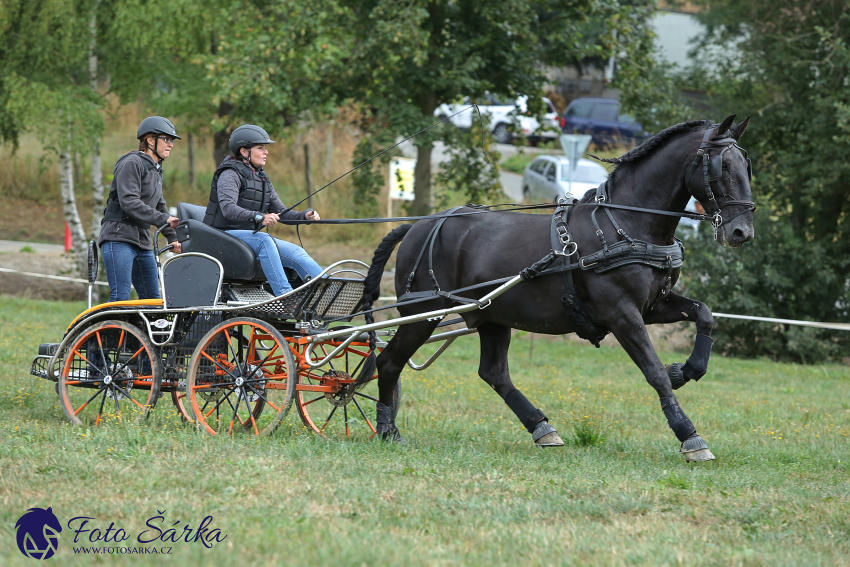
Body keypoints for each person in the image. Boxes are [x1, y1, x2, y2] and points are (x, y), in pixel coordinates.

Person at [203, 124, 323, 295]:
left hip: (249, 238)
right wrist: (260, 217)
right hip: (222, 236)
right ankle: (285, 296)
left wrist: (305, 216)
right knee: (264, 240)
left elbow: (282, 212)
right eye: (260, 148)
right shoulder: (229, 174)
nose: (266, 152)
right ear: (244, 152)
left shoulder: (262, 178)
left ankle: (324, 290)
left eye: (265, 148)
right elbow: (228, 209)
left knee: (296, 251)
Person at [99, 116, 182, 302]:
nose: (171, 145)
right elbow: (129, 201)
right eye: (167, 139)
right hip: (118, 237)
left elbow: (160, 205)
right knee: (121, 296)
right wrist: (163, 220)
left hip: (142, 242)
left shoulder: (155, 169)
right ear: (151, 140)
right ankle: (111, 331)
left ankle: (139, 332)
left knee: (152, 300)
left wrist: (173, 238)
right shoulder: (132, 162)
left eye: (172, 141)